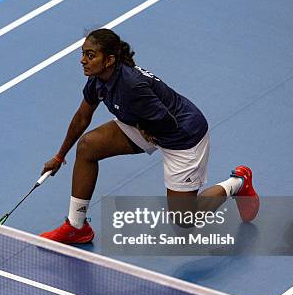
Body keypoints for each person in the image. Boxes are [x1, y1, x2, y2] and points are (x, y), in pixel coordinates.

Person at [40, 28, 259, 244]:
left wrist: (143, 126)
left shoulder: (132, 86)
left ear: (109, 60)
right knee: (88, 146)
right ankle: (77, 226)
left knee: (184, 220)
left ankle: (238, 183)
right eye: (83, 53)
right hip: (145, 124)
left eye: (90, 55)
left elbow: (166, 121)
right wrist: (60, 156)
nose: (83, 60)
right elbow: (81, 118)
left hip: (182, 135)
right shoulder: (98, 80)